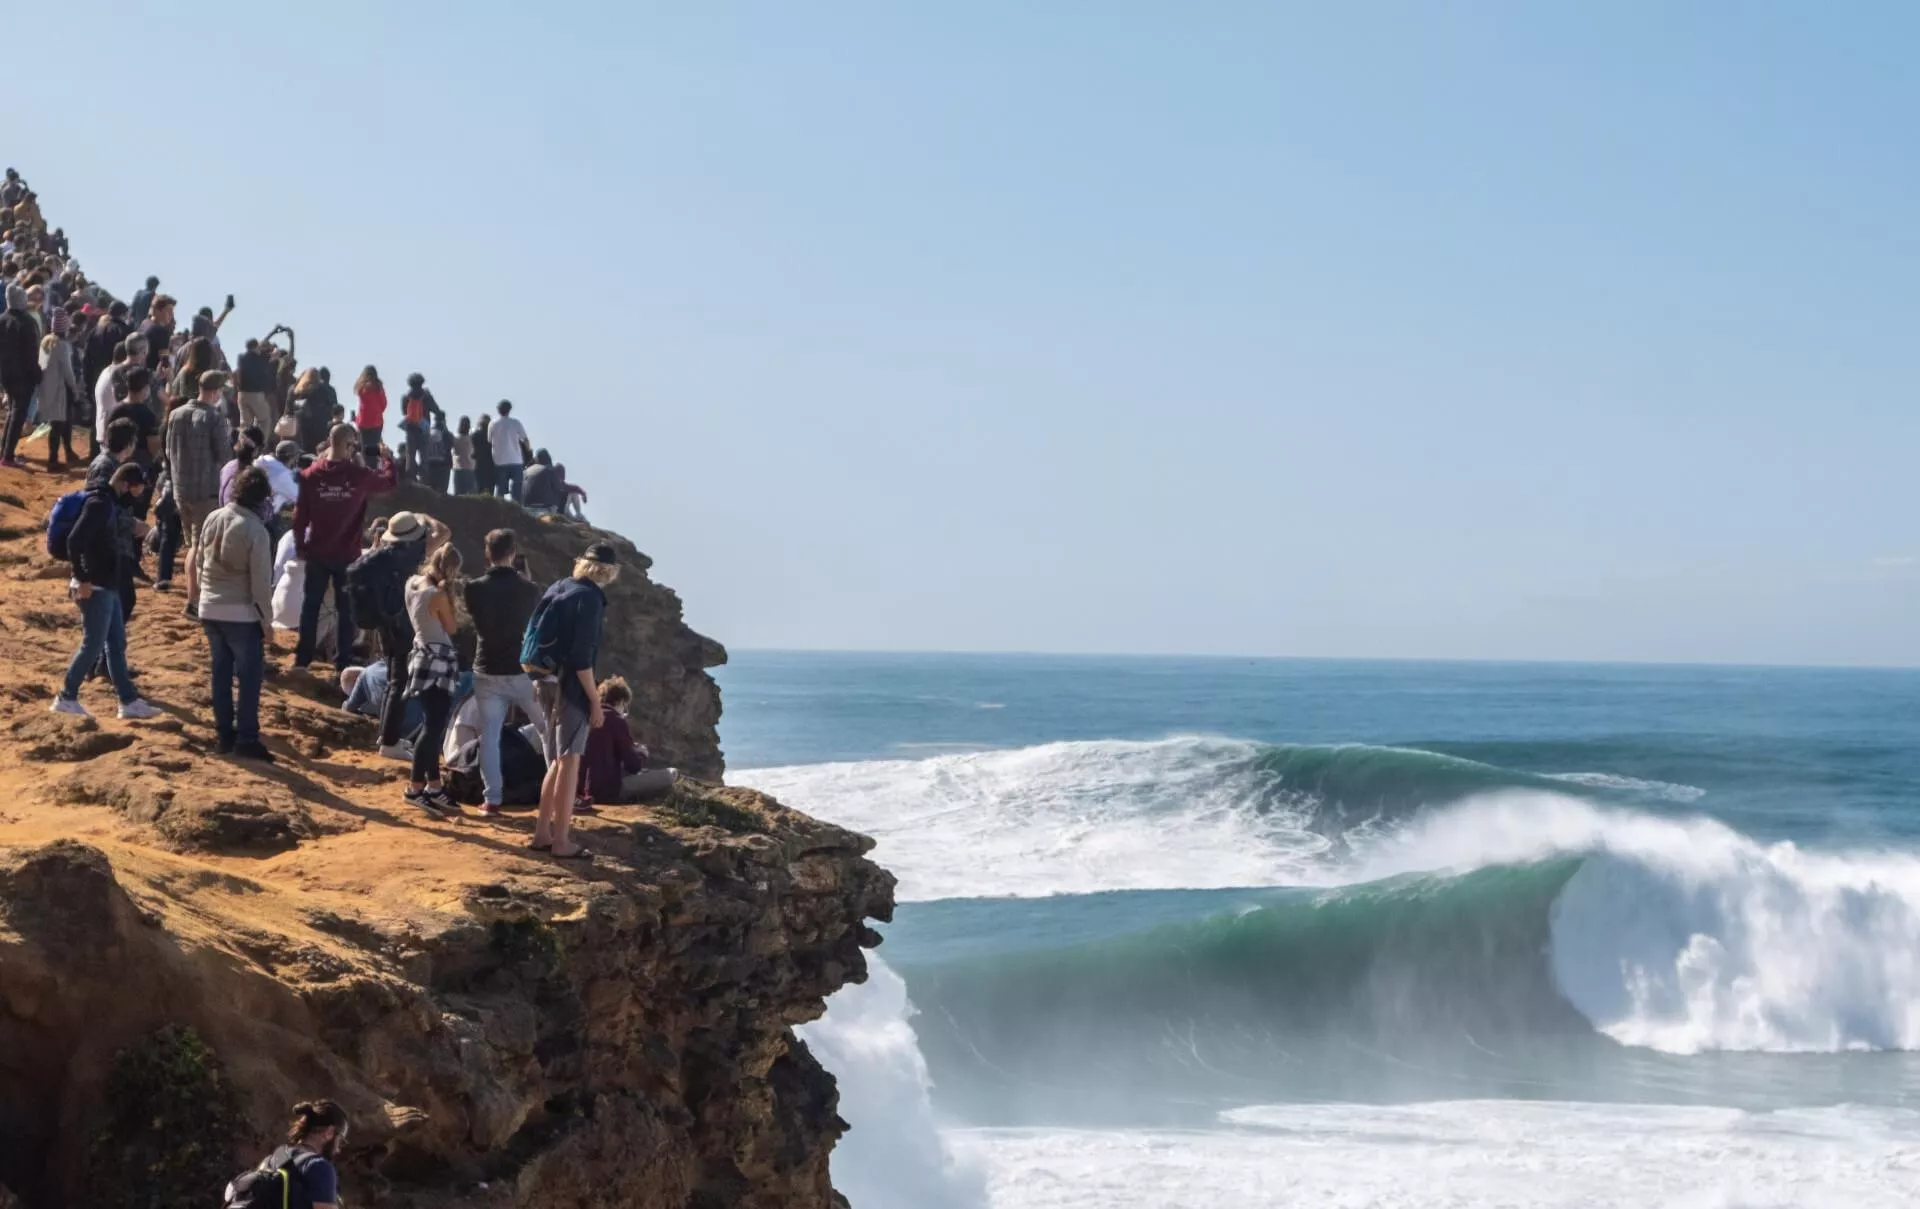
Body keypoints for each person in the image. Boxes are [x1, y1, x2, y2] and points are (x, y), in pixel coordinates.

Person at [526, 543, 620, 860]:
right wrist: (595, 701)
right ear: (609, 571)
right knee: (570, 761)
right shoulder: (590, 599)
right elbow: (582, 659)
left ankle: (542, 833)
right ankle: (562, 841)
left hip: (543, 678)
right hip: (569, 685)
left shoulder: (560, 586)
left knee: (556, 760)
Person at [51, 462, 162, 720]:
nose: (135, 497)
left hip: (108, 583)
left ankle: (128, 701)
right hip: (96, 585)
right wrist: (82, 578)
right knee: (92, 644)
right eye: (134, 490)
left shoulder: (110, 503)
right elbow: (75, 541)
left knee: (115, 644)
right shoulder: (100, 504)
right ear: (124, 484)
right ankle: (66, 696)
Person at [290, 424, 398, 673]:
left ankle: (302, 659)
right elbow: (389, 483)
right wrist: (387, 460)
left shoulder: (310, 475)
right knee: (345, 610)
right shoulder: (358, 475)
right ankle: (342, 662)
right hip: (347, 554)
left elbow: (299, 518)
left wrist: (300, 546)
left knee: (311, 605)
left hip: (317, 551)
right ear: (350, 445)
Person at [463, 528, 550, 817]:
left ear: (487, 553)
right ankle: (560, 792)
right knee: (546, 729)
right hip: (521, 670)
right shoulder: (529, 589)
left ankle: (492, 799)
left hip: (486, 667)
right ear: (513, 553)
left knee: (490, 735)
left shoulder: (473, 588)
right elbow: (533, 621)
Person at [197, 466, 276, 761]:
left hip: (209, 607)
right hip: (241, 613)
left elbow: (199, 562)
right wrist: (266, 622)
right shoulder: (256, 529)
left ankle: (224, 735)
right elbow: (260, 583)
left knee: (220, 673)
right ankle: (247, 738)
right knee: (249, 677)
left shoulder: (213, 517)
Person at [366, 511, 448, 761]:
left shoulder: (378, 554)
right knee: (399, 683)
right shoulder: (415, 553)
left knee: (394, 678)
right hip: (403, 624)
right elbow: (444, 531)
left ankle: (386, 734)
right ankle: (389, 742)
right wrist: (424, 515)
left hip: (383, 622)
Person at [164, 369, 232, 614]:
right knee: (199, 547)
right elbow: (224, 457)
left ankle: (193, 598)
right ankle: (194, 600)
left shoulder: (176, 414)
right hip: (206, 490)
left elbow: (169, 452)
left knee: (192, 544)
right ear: (215, 391)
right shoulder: (214, 417)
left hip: (182, 488)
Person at [403, 542, 463, 815]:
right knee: (433, 728)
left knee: (431, 723)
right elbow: (452, 627)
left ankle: (434, 786)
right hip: (438, 660)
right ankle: (415, 788)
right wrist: (450, 596)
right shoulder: (437, 594)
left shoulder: (413, 583)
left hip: (420, 654)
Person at [226, 1099, 348, 1209]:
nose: (338, 1149)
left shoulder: (271, 1160)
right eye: (340, 1141)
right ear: (329, 1132)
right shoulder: (319, 1167)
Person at [580, 676, 677, 805]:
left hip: (579, 790)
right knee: (671, 773)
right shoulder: (616, 720)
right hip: (606, 791)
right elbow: (633, 766)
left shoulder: (585, 716)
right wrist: (641, 753)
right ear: (621, 702)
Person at [0, 283, 43, 467]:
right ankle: (8, 455)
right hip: (23, 375)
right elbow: (31, 353)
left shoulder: (2, 319)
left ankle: (4, 451)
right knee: (19, 413)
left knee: (12, 411)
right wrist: (37, 374)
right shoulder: (27, 322)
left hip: (5, 373)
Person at [36, 330, 81, 469]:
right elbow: (68, 372)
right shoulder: (62, 346)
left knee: (63, 421)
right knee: (59, 425)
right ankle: (53, 459)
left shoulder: (45, 342)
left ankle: (67, 451)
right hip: (61, 389)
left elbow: (41, 367)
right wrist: (75, 389)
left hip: (48, 388)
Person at [397, 372, 441, 483]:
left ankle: (410, 481)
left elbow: (403, 412)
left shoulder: (405, 397)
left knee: (410, 458)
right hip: (423, 429)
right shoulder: (426, 396)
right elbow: (436, 410)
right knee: (424, 458)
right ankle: (423, 482)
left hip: (410, 430)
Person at [234, 336, 277, 435]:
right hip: (255, 394)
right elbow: (276, 354)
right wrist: (273, 348)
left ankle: (242, 446)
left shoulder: (241, 358)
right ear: (256, 347)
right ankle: (259, 445)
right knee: (264, 420)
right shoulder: (261, 358)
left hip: (242, 394)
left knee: (245, 424)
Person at [488, 399, 529, 501]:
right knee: (517, 491)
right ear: (509, 410)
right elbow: (525, 439)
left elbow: (489, 440)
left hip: (499, 460)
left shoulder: (492, 424)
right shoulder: (515, 423)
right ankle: (517, 510)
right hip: (515, 460)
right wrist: (529, 451)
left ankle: (498, 510)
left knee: (500, 489)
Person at [352, 365, 385, 463]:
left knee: (364, 446)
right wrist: (378, 411)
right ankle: (373, 468)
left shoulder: (361, 387)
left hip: (363, 421)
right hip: (376, 421)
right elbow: (384, 403)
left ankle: (365, 466)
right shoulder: (378, 387)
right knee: (374, 446)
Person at [138, 295, 175, 371]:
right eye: (169, 311)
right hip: (152, 375)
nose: (171, 315)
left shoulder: (144, 323)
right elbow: (165, 362)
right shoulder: (161, 331)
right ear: (158, 310)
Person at [521, 450, 563, 514]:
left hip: (525, 507)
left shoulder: (525, 471)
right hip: (545, 508)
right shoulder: (549, 469)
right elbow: (558, 487)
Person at [422, 411, 452, 493]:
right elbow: (450, 443)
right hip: (443, 466)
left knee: (430, 491)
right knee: (442, 492)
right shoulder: (445, 433)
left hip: (429, 464)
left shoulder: (427, 432)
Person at [450, 415, 476, 495]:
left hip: (458, 469)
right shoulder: (472, 439)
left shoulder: (455, 439)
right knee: (471, 496)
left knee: (458, 496)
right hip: (470, 469)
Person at [472, 413, 496, 496]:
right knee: (490, 492)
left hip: (478, 465)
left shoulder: (474, 435)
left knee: (478, 491)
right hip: (491, 466)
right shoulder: (493, 436)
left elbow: (472, 452)